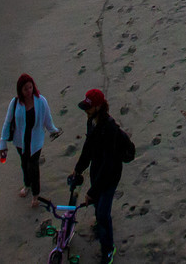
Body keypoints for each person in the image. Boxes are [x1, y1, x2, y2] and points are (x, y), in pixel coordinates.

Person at [72, 88, 135, 264]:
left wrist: (92, 191)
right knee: (97, 206)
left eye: (89, 108)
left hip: (110, 174)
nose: (86, 111)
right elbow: (88, 147)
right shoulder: (91, 121)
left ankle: (108, 249)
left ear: (99, 106)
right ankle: (100, 225)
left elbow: (109, 164)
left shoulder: (109, 128)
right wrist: (78, 168)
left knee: (102, 211)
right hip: (97, 169)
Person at [0, 73, 60, 201]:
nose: (29, 91)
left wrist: (53, 130)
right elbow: (7, 122)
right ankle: (27, 185)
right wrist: (3, 143)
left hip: (36, 142)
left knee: (33, 167)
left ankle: (35, 194)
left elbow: (47, 119)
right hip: (20, 142)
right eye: (25, 89)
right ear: (20, 90)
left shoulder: (41, 101)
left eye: (30, 87)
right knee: (24, 164)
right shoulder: (15, 103)